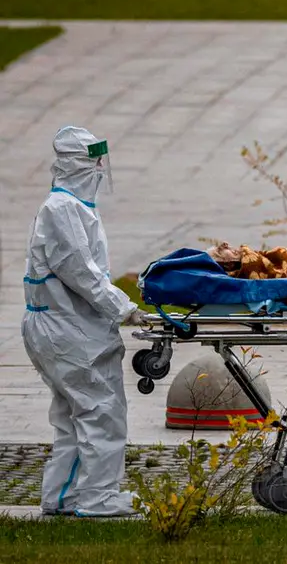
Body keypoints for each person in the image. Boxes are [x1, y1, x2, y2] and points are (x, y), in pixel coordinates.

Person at [22, 126, 148, 517]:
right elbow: (81, 272)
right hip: (69, 329)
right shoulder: (62, 210)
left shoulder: (70, 207)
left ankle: (62, 495)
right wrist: (124, 308)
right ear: (78, 164)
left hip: (62, 326)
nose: (99, 169)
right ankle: (97, 497)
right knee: (100, 412)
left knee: (71, 415)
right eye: (94, 161)